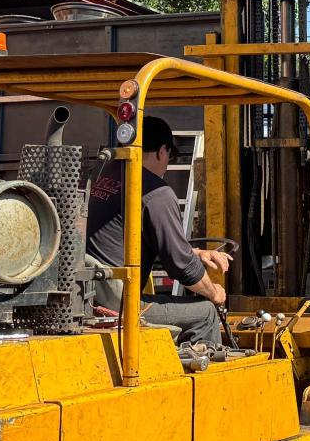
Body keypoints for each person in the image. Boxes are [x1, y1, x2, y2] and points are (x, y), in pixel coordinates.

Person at [86, 115, 230, 346]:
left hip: (88, 294)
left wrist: (196, 253)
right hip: (121, 304)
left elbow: (128, 238)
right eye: (169, 157)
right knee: (205, 313)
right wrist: (214, 292)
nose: (167, 164)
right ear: (163, 151)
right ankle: (196, 369)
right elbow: (182, 268)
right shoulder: (156, 193)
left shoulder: (101, 175)